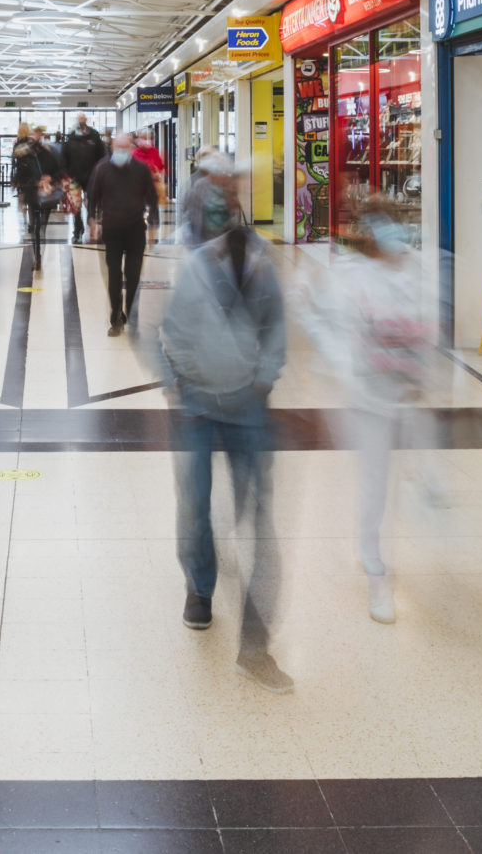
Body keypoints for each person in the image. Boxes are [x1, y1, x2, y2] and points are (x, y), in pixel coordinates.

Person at [155, 224, 291, 692]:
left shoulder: (261, 268)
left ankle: (255, 646)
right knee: (195, 501)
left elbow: (276, 327)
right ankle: (200, 586)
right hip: (197, 406)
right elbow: (166, 330)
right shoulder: (194, 268)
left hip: (248, 406)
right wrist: (179, 384)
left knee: (259, 518)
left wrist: (264, 378)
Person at [303, 197, 431, 624]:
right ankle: (376, 566)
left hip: (408, 394)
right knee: (377, 483)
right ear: (369, 234)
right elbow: (319, 319)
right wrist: (344, 363)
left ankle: (389, 547)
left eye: (398, 225)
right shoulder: (350, 276)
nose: (394, 235)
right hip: (367, 398)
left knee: (418, 477)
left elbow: (431, 326)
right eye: (384, 227)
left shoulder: (417, 271)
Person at [88, 132, 159, 337]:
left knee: (134, 275)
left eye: (124, 148)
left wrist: (153, 217)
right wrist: (92, 219)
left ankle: (132, 313)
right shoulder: (102, 170)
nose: (120, 151)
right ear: (112, 148)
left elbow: (152, 196)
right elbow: (92, 197)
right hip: (111, 229)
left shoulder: (140, 170)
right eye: (117, 148)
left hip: (136, 228)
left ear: (130, 148)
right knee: (114, 276)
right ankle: (116, 318)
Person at [10, 124, 61, 275]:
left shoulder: (48, 153)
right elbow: (20, 169)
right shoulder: (25, 152)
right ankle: (37, 255)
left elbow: (58, 170)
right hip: (32, 192)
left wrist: (50, 179)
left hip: (47, 194)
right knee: (36, 227)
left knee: (42, 226)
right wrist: (18, 181)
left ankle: (38, 251)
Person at [178, 149, 241, 247]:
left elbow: (235, 211)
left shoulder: (228, 184)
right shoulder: (198, 184)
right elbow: (187, 211)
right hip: (202, 240)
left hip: (223, 239)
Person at [62, 117, 106, 244]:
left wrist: (100, 172)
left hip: (92, 176)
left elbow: (102, 156)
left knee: (92, 203)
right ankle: (77, 229)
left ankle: (92, 226)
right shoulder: (70, 138)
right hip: (74, 177)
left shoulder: (94, 137)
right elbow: (64, 157)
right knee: (75, 205)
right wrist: (64, 174)